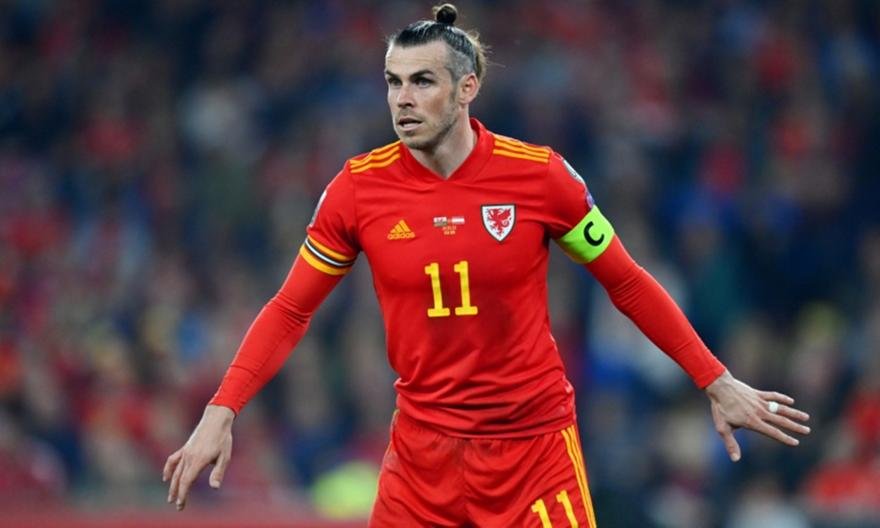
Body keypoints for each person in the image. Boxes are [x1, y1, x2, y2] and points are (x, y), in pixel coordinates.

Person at [163, 4, 811, 526]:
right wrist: (222, 409)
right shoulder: (357, 191)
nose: (402, 99)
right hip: (423, 462)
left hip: (533, 454)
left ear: (467, 87)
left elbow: (626, 281)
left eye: (422, 81)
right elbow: (290, 308)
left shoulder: (541, 178)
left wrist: (713, 379)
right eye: (393, 81)